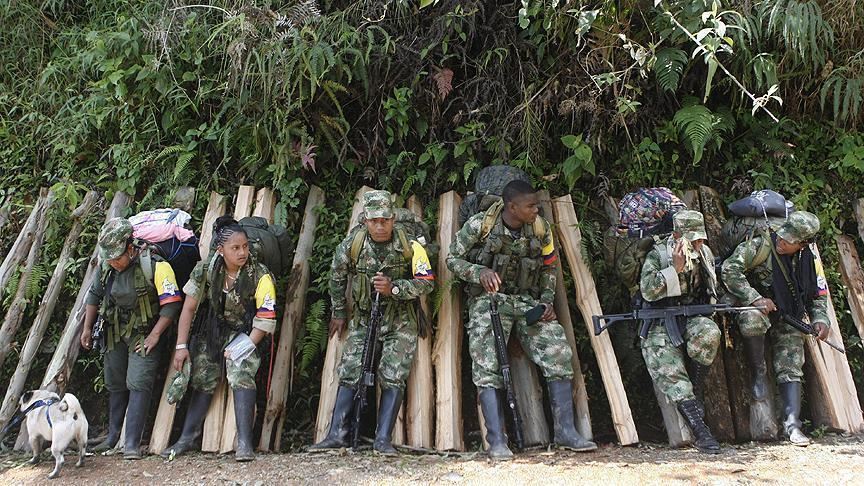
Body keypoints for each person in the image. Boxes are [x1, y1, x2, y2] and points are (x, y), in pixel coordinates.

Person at [446, 180, 596, 460]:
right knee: (486, 362)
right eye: (530, 205)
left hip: (527, 302)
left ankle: (565, 431)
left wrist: (547, 301)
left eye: (537, 204)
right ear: (511, 207)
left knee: (559, 352)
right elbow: (452, 259)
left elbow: (549, 266)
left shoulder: (540, 228)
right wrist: (479, 272)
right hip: (490, 301)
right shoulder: (481, 225)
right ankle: (497, 441)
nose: (536, 209)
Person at [310, 190, 435, 455]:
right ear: (365, 220)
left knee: (393, 374)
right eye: (374, 220)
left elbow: (426, 282)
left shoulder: (411, 245)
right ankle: (337, 434)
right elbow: (336, 278)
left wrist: (396, 289)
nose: (380, 226)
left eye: (385, 220)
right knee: (350, 370)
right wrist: (339, 312)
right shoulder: (352, 245)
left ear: (393, 219)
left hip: (400, 320)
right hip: (365, 318)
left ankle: (382, 439)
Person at [161, 216, 277, 461]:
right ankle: (187, 437)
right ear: (220, 249)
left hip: (248, 331)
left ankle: (245, 443)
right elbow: (189, 309)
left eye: (245, 246)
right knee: (203, 371)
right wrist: (181, 345)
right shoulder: (206, 270)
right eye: (235, 248)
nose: (242, 252)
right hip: (215, 329)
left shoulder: (260, 274)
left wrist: (246, 345)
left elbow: (265, 318)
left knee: (241, 371)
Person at [721, 210, 828, 446]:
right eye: (781, 237)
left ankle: (792, 425)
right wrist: (754, 297)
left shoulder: (810, 260)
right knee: (752, 319)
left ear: (802, 245)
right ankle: (759, 373)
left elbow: (818, 293)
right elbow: (730, 269)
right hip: (758, 307)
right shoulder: (761, 245)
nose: (781, 242)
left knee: (791, 357)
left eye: (788, 242)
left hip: (787, 313)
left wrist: (821, 319)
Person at [80, 217, 183, 459]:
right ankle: (112, 436)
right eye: (110, 258)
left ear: (130, 247)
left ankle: (132, 444)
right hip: (115, 330)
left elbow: (172, 303)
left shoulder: (155, 266)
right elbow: (94, 296)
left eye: (118, 257)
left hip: (144, 332)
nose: (114, 263)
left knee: (139, 381)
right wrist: (87, 327)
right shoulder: (107, 267)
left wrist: (156, 334)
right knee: (115, 380)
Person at [639, 210, 722, 454]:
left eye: (700, 239)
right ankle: (701, 431)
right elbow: (648, 292)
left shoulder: (704, 254)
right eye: (692, 239)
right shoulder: (659, 255)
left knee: (709, 333)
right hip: (660, 319)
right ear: (676, 235)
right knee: (668, 368)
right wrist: (673, 270)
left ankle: (695, 393)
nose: (698, 244)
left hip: (692, 316)